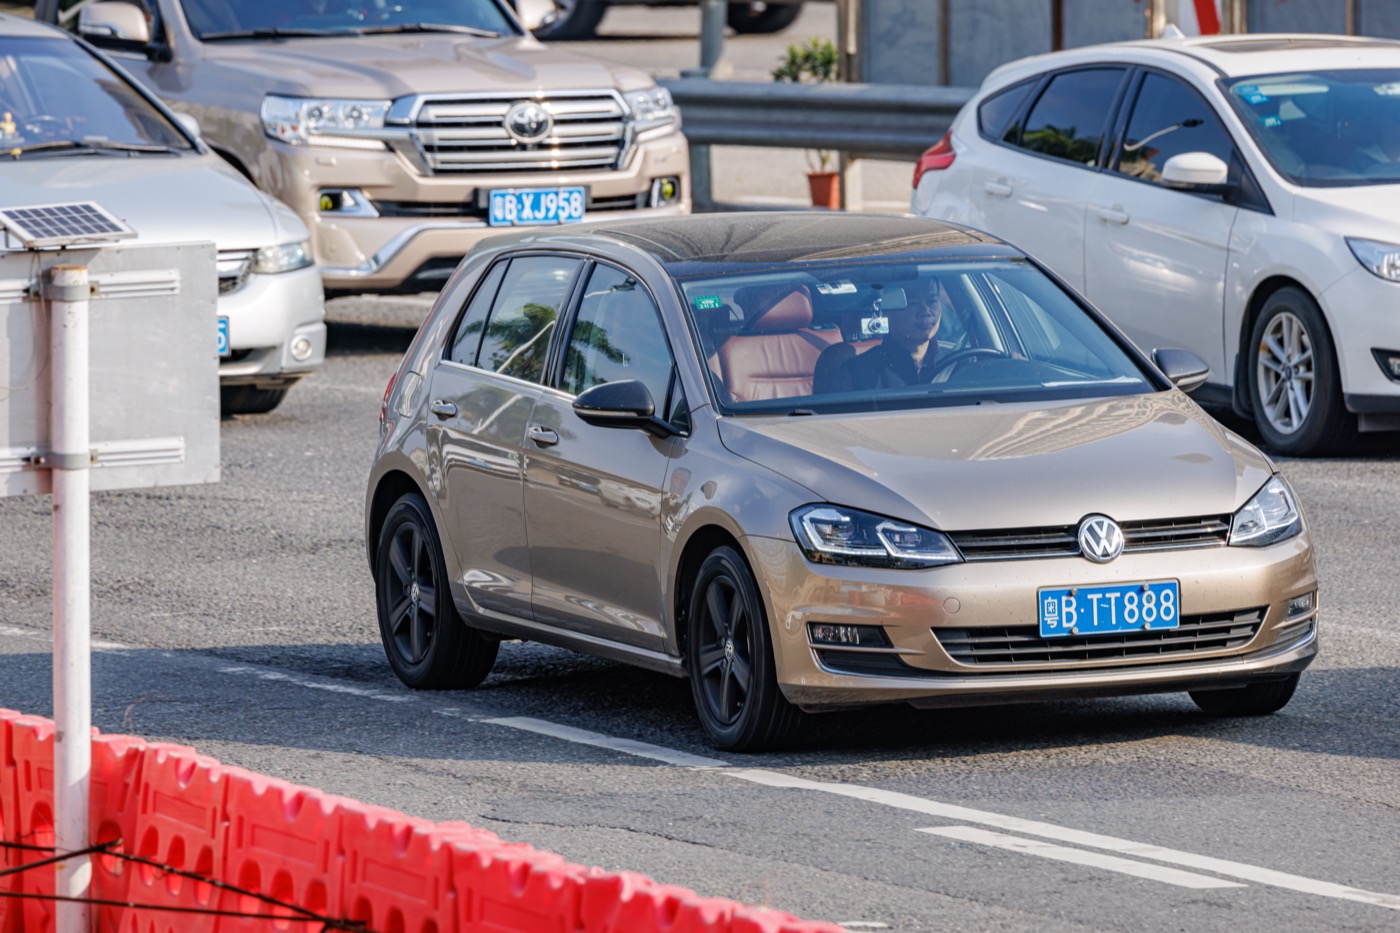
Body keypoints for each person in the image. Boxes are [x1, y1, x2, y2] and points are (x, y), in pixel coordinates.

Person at [831, 285, 944, 392]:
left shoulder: (956, 361)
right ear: (887, 312)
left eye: (932, 301)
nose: (925, 312)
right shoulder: (857, 372)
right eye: (912, 303)